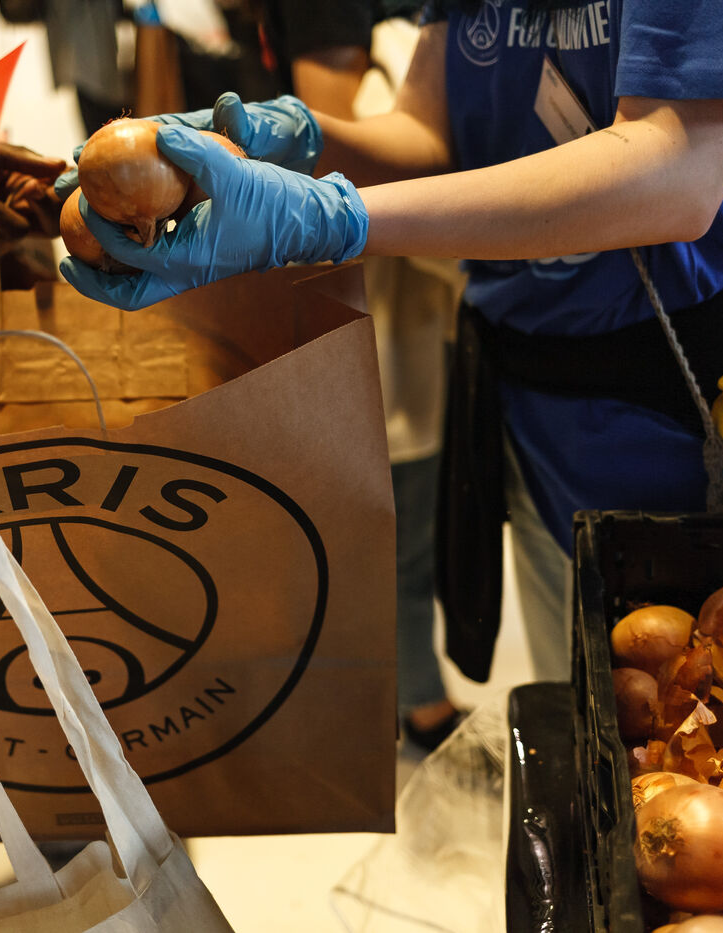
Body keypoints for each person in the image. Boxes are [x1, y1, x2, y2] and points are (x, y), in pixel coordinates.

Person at [58, 0, 723, 684]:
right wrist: (300, 142)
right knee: (574, 703)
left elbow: (679, 165)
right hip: (535, 403)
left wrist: (336, 221)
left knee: (697, 739)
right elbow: (430, 131)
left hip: (690, 419)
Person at [255, 0, 465, 749]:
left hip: (372, 313)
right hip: (383, 324)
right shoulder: (349, 39)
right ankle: (414, 698)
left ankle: (403, 689)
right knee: (395, 531)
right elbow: (347, 162)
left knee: (388, 527)